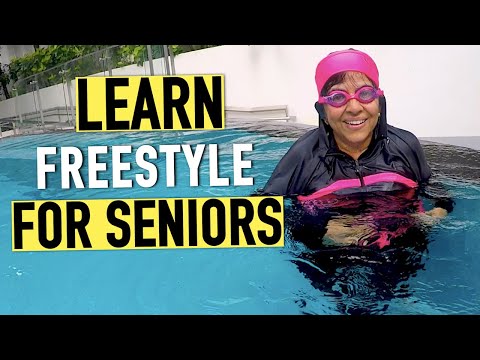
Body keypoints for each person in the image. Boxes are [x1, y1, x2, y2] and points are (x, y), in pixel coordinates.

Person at [261, 48, 453, 249]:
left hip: (402, 247)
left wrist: (439, 212)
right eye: (337, 97)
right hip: (331, 257)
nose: (354, 108)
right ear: (322, 110)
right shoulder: (303, 157)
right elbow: (261, 214)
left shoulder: (405, 146)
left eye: (365, 93)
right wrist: (319, 231)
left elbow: (435, 189)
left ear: (380, 102)